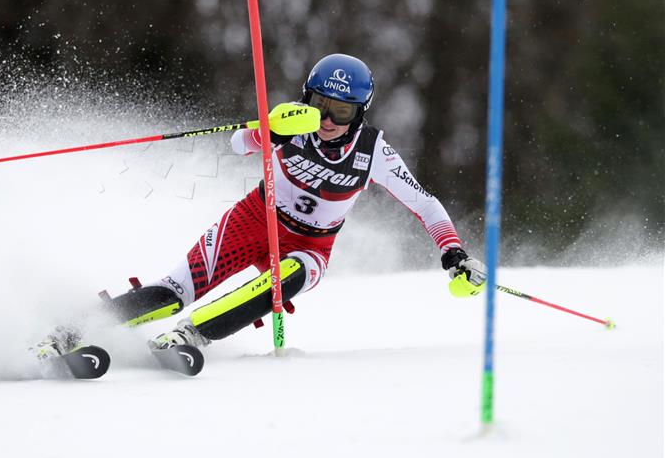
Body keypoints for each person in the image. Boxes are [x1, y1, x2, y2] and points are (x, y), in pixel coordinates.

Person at [38, 54, 486, 358]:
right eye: (320, 106)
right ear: (307, 97)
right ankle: (70, 330)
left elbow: (425, 205)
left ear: (361, 114)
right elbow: (237, 144)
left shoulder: (375, 154)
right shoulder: (291, 122)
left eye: (342, 113)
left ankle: (191, 336)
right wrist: (268, 134)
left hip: (312, 246)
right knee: (173, 289)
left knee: (288, 277)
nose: (328, 121)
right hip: (254, 219)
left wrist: (453, 252)